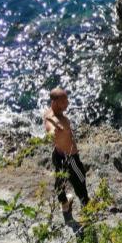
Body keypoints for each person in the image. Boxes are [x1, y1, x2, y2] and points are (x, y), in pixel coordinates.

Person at [44, 87, 89, 224]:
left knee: (60, 180)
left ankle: (64, 203)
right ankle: (87, 208)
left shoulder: (49, 113)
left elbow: (48, 118)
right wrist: (53, 133)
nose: (68, 103)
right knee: (80, 180)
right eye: (64, 101)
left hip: (58, 154)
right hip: (70, 158)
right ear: (56, 102)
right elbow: (51, 130)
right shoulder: (54, 121)